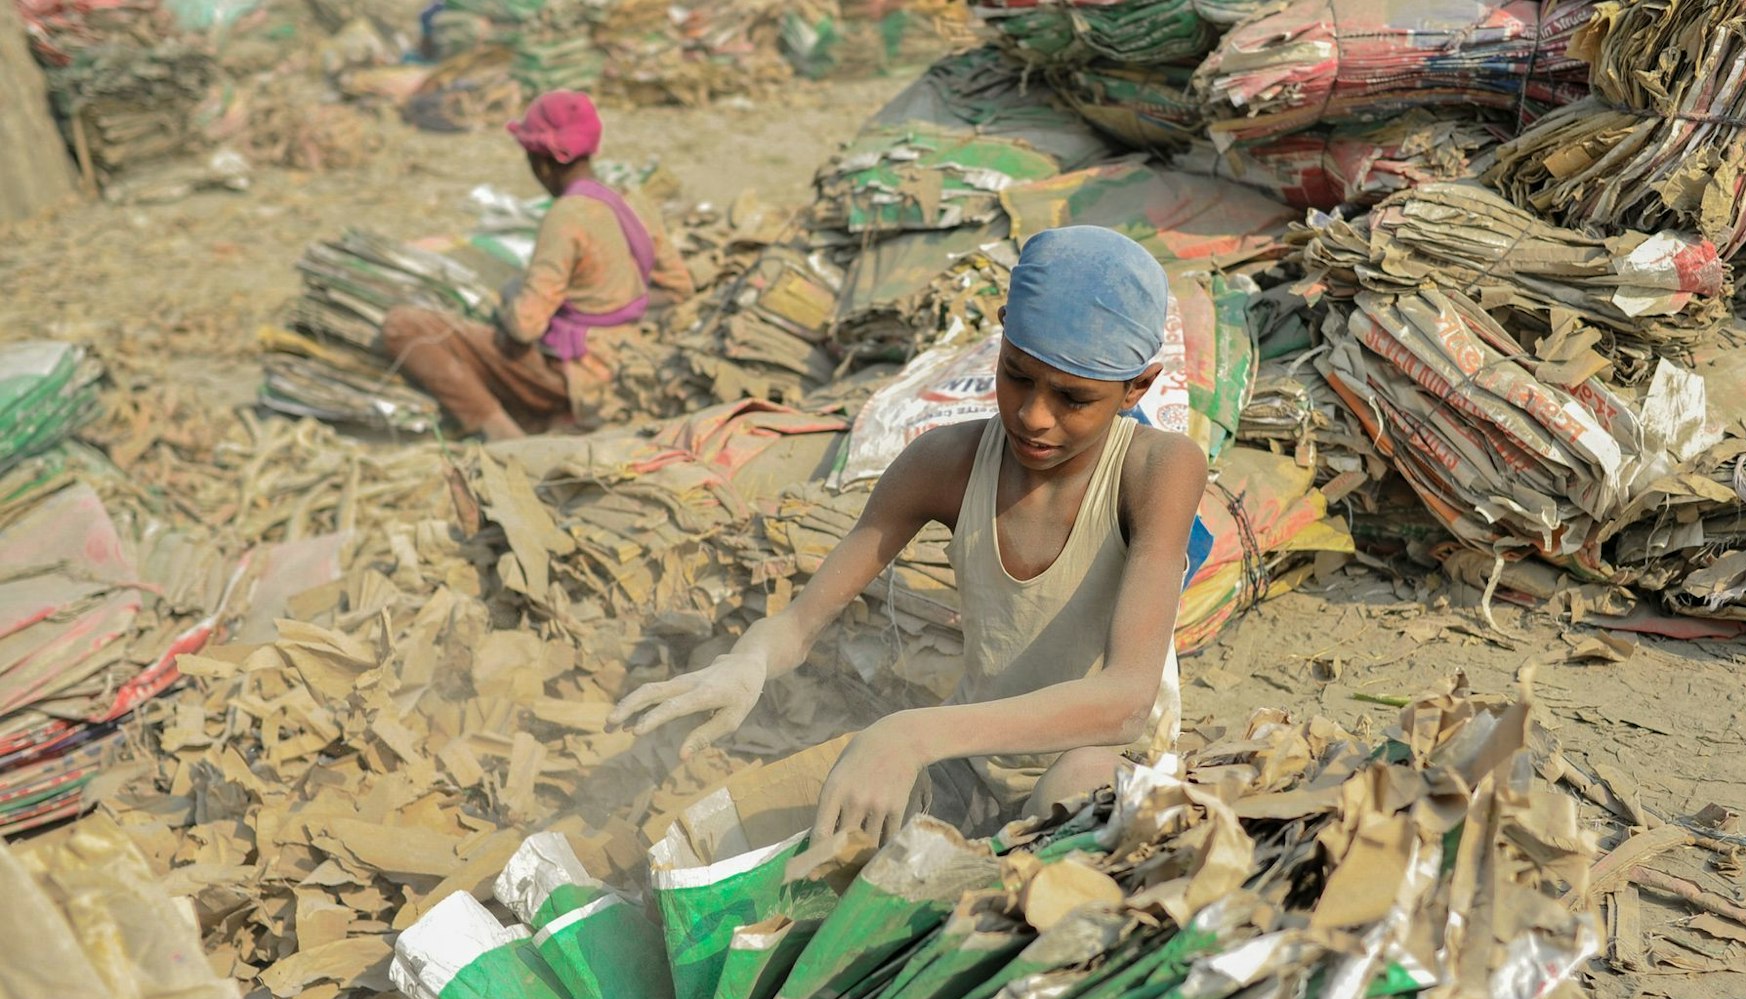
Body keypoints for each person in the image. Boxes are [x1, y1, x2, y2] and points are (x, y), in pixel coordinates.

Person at [609, 225, 1206, 846]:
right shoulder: (943, 464)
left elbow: (1127, 699)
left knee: (1070, 789)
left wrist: (909, 734)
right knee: (808, 839)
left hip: (1103, 765)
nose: (1033, 415)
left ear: (1137, 387)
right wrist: (747, 662)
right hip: (967, 761)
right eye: (1017, 375)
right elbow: (799, 624)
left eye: (1073, 398)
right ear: (1000, 336)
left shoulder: (1156, 470)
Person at [380, 90, 694, 440]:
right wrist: (618, 308)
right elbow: (679, 288)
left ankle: (501, 433)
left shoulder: (566, 217)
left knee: (403, 326)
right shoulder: (633, 201)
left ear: (542, 162)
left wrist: (514, 300)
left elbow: (524, 328)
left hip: (577, 375)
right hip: (630, 359)